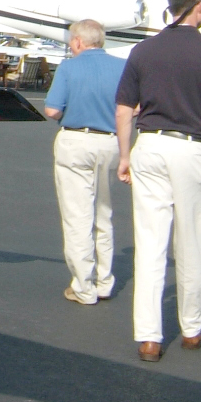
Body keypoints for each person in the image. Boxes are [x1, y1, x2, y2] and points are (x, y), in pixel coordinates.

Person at [116, 0, 201, 363]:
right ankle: (191, 328)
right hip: (193, 149)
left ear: (172, 7)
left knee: (151, 244)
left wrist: (125, 155)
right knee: (190, 242)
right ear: (200, 8)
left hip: (150, 145)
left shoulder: (143, 49)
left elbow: (125, 109)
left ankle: (149, 337)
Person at [43, 18, 126, 306]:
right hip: (111, 142)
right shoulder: (120, 66)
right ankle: (104, 281)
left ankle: (84, 286)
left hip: (77, 140)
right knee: (103, 213)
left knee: (78, 216)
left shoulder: (69, 67)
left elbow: (53, 109)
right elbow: (134, 107)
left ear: (78, 41)